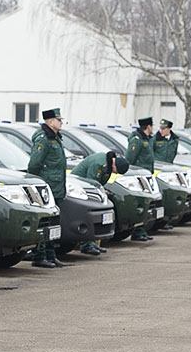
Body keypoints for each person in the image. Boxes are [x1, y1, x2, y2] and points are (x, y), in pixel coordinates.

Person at [28, 108, 69, 267]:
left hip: (56, 187)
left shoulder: (56, 138)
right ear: (50, 121)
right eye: (58, 120)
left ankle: (51, 255)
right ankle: (39, 256)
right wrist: (38, 185)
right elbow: (34, 164)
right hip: (47, 188)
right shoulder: (43, 138)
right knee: (45, 224)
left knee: (53, 224)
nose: (61, 122)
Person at [70, 151, 129, 255]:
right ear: (115, 165)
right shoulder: (99, 164)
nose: (115, 173)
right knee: (87, 217)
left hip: (89, 189)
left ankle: (92, 243)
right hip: (80, 189)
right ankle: (86, 245)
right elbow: (91, 182)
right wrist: (100, 191)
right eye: (116, 171)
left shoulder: (108, 165)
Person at [126, 117, 155, 242]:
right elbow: (130, 159)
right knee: (141, 204)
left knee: (146, 204)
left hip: (146, 176)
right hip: (139, 177)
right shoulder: (137, 140)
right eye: (152, 126)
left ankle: (142, 230)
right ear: (148, 126)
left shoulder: (146, 139)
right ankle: (137, 232)